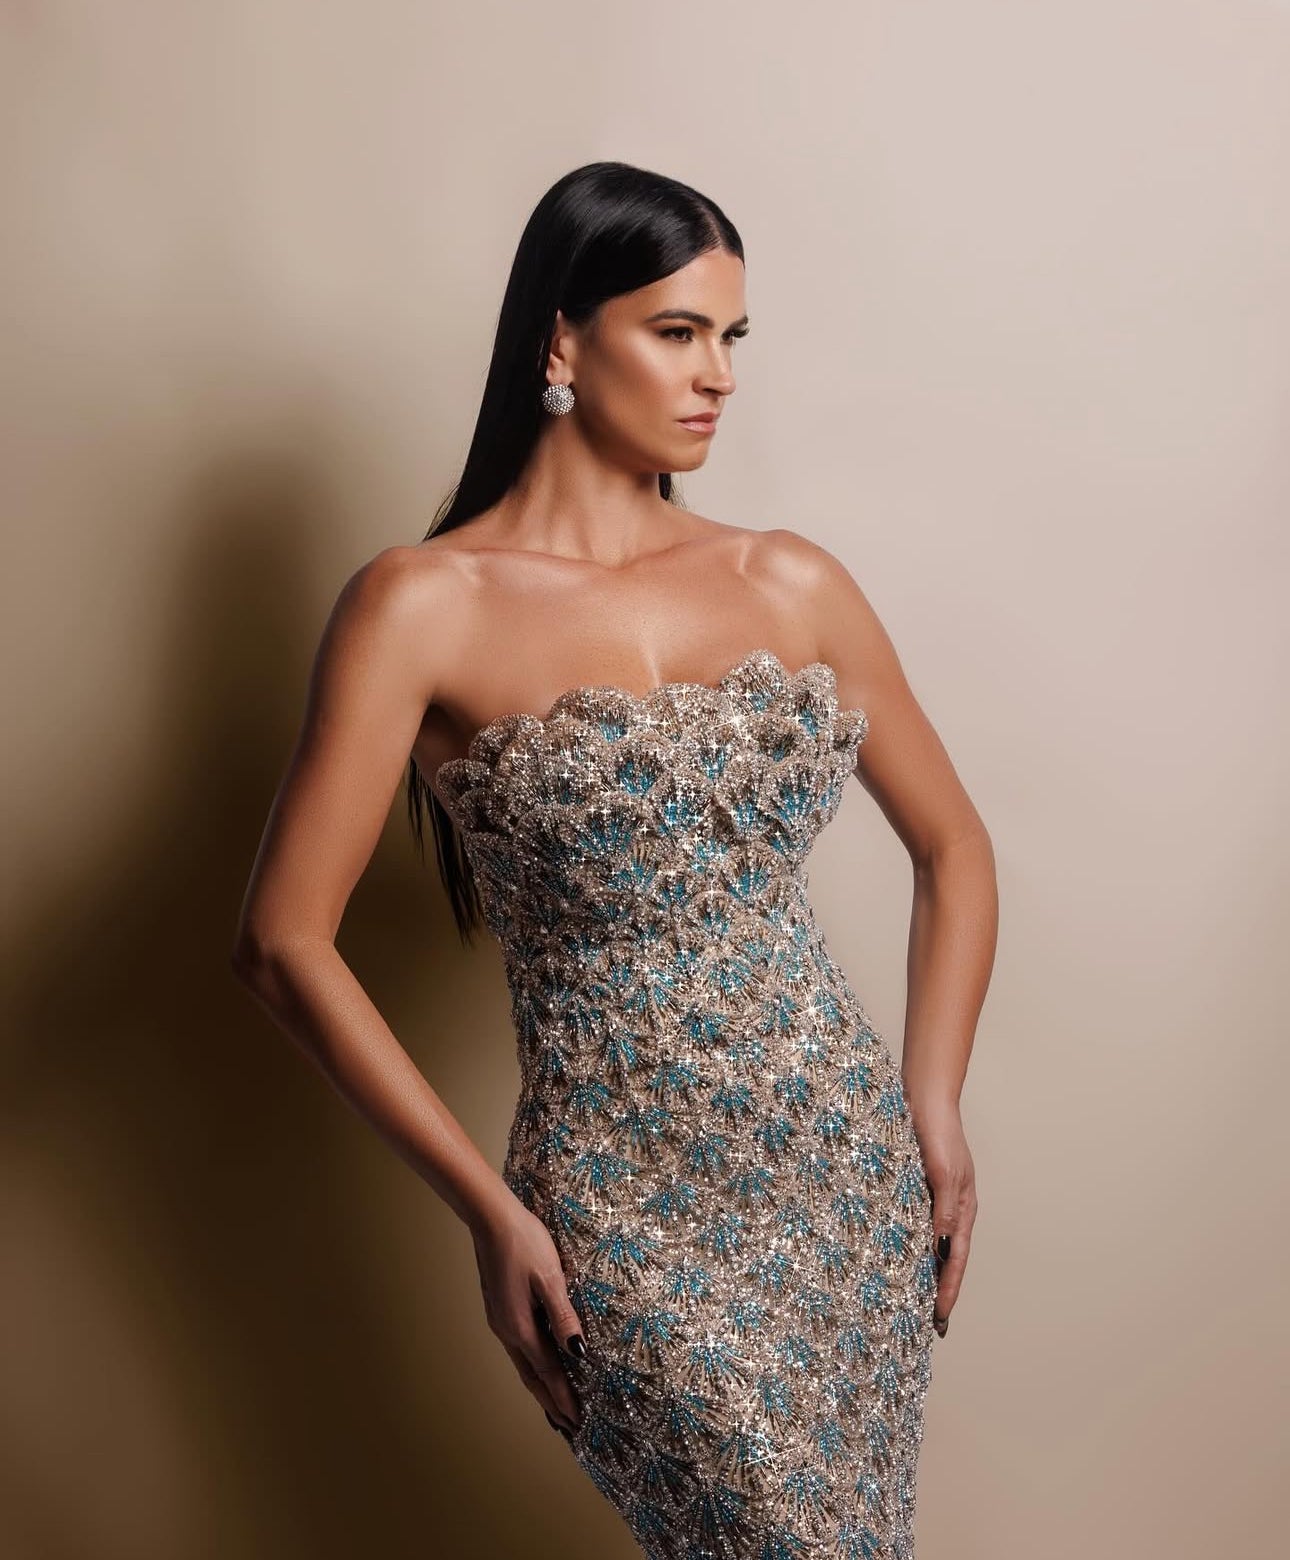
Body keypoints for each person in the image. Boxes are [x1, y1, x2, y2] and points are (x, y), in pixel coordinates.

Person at [232, 160, 996, 1559]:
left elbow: (954, 847)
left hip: (840, 1178)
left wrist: (930, 1105)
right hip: (615, 1210)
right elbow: (282, 943)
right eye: (677, 331)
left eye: (731, 337)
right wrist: (488, 1214)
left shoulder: (787, 579)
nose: (718, 376)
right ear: (563, 341)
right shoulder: (422, 604)